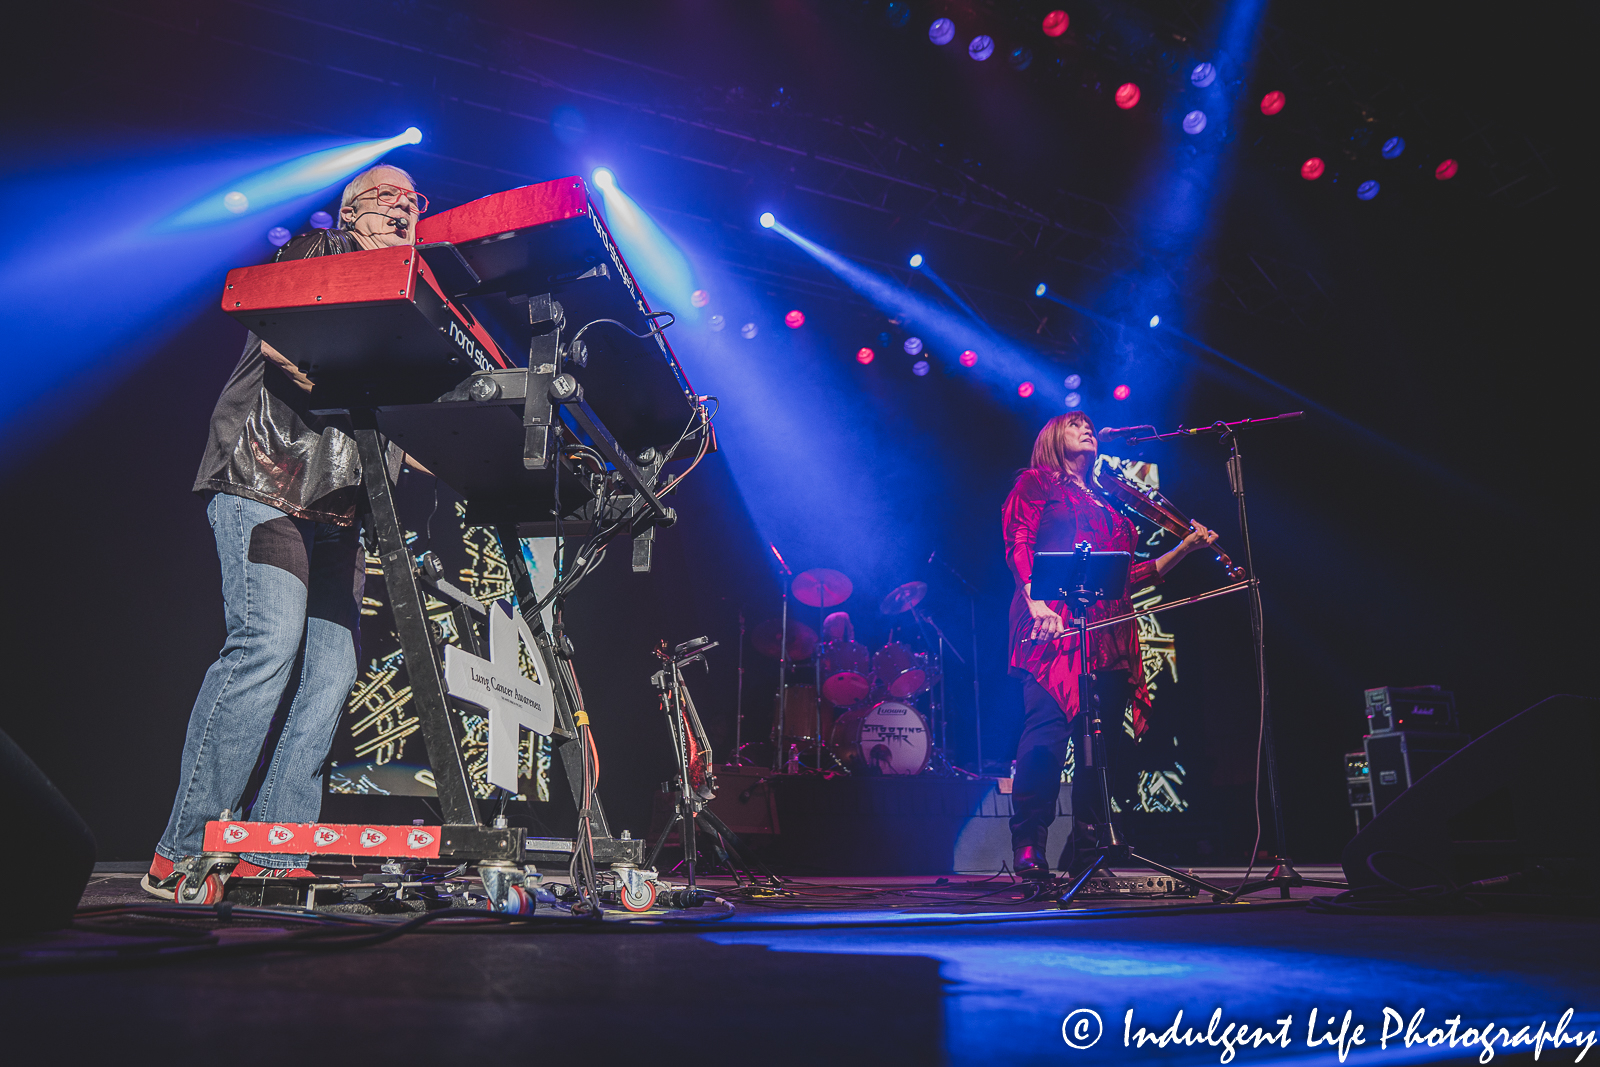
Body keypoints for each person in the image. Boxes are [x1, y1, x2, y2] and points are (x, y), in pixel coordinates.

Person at [142, 165, 426, 898]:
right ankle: (186, 845)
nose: (405, 209)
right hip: (264, 482)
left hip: (339, 510)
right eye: (389, 198)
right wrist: (371, 389)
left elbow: (416, 420)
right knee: (266, 645)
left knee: (332, 673)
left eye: (414, 202)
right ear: (350, 211)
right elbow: (282, 344)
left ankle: (274, 847)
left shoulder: (413, 298)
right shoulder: (316, 253)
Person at [1002, 411, 1219, 880]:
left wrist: (1184, 549)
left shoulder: (1106, 501)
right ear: (1053, 438)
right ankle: (1028, 847)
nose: (1088, 430)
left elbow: (1125, 577)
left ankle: (1087, 850)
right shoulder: (1037, 484)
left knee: (1103, 750)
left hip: (1109, 634)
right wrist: (1036, 601)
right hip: (1053, 626)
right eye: (1076, 425)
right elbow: (1018, 542)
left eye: (1090, 426)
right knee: (1046, 738)